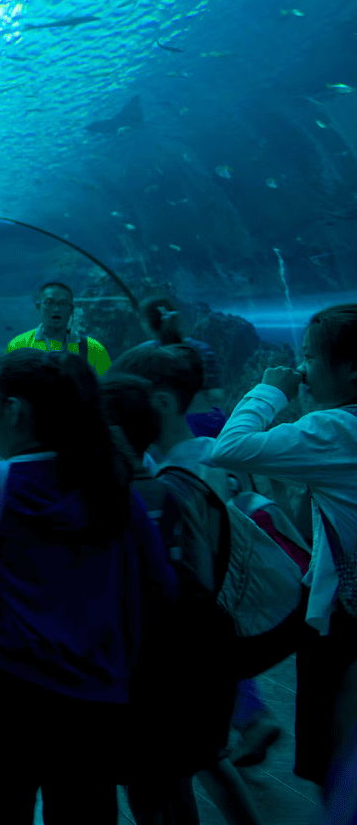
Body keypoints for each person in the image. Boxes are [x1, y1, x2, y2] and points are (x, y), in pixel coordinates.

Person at [0, 348, 178, 824]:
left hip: (7, 697)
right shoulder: (112, 485)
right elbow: (160, 584)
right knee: (86, 814)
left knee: (2, 810)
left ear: (14, 410)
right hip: (96, 697)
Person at [105, 349, 266, 825]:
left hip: (167, 659)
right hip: (197, 647)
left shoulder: (167, 483)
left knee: (159, 780)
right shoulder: (192, 466)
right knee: (198, 766)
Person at [212, 303, 357, 794]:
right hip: (338, 608)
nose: (301, 367)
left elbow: (229, 448)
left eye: (311, 356)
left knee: (334, 754)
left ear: (352, 369)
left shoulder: (336, 430)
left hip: (345, 621)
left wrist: (272, 388)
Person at [138, 295, 227, 438]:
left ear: (146, 324)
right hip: (207, 424)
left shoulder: (142, 355)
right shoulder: (203, 350)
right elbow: (216, 394)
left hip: (166, 429)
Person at [6, 281, 112, 374]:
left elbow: (107, 391)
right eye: (49, 303)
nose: (56, 309)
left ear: (71, 309)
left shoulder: (93, 349)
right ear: (38, 307)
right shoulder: (18, 346)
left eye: (63, 303)